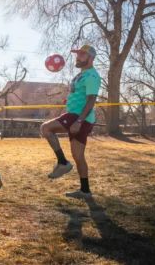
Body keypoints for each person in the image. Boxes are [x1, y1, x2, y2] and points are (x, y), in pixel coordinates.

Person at [41, 44, 101, 199]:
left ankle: (62, 163)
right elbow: (79, 95)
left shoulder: (92, 76)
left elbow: (91, 101)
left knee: (46, 128)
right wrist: (69, 100)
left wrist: (79, 121)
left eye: (82, 55)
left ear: (91, 58)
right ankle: (85, 191)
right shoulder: (80, 75)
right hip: (76, 115)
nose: (78, 57)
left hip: (79, 117)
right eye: (77, 54)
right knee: (78, 157)